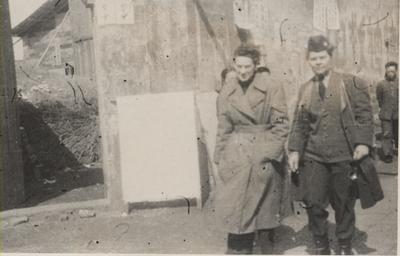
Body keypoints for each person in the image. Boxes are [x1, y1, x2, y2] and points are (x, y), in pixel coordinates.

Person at [287, 35, 384, 255]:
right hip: (314, 157)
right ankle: (321, 245)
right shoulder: (305, 88)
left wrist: (363, 143)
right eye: (313, 58)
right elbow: (300, 124)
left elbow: (364, 115)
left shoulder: (350, 83)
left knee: (344, 203)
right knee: (312, 202)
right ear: (308, 61)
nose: (318, 62)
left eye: (322, 57)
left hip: (344, 155)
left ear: (330, 57)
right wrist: (294, 150)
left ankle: (344, 245)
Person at [213, 45, 289, 254]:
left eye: (247, 66)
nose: (243, 71)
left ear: (256, 65)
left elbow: (281, 124)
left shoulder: (272, 86)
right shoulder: (228, 89)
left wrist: (267, 154)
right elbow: (223, 126)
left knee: (264, 218)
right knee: (236, 213)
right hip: (235, 157)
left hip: (263, 158)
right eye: (238, 66)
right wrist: (220, 157)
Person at [376, 61, 399, 163]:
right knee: (386, 134)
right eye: (389, 71)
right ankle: (387, 154)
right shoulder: (381, 84)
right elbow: (379, 98)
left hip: (398, 113)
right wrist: (383, 108)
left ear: (396, 71)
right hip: (386, 114)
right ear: (385, 71)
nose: (391, 73)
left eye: (393, 71)